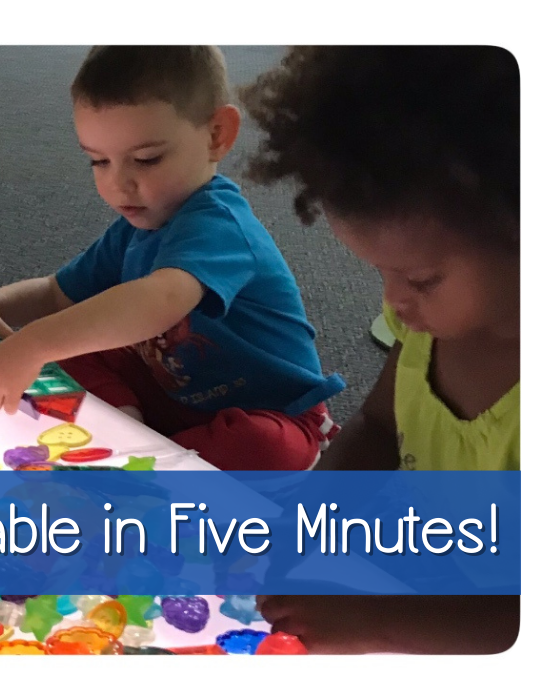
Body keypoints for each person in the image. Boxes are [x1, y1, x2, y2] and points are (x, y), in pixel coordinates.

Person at [0, 46, 343, 472]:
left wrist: (34, 342)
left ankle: (144, 452)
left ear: (217, 135)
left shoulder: (222, 226)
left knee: (262, 446)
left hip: (271, 414)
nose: (119, 184)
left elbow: (160, 301)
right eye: (98, 161)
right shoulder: (137, 227)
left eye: (146, 159)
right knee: (76, 339)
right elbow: (56, 292)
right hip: (175, 394)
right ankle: (138, 436)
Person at [242, 45, 519, 653]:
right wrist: (314, 517)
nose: (394, 304)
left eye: (420, 279)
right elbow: (376, 424)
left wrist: (378, 625)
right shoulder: (426, 330)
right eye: (380, 274)